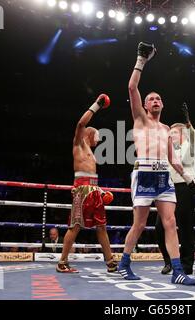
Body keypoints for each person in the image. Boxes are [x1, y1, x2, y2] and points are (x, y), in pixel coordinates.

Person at [117, 42, 195, 285]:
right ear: (144, 105)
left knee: (171, 222)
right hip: (143, 173)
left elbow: (172, 158)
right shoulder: (140, 120)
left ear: (162, 105)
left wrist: (187, 177)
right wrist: (141, 60)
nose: (155, 100)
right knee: (140, 224)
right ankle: (124, 263)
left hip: (164, 176)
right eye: (151, 98)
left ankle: (177, 271)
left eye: (158, 99)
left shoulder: (166, 129)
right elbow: (132, 86)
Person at [56, 94, 117, 273]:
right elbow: (80, 124)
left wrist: (100, 190)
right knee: (75, 226)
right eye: (97, 137)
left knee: (101, 226)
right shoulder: (79, 143)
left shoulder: (90, 151)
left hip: (93, 190)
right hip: (82, 191)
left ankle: (111, 262)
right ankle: (62, 262)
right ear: (91, 134)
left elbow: (90, 174)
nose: (98, 141)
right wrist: (97, 105)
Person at [155, 104, 195, 275]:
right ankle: (169, 261)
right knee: (160, 227)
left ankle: (186, 265)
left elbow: (194, 137)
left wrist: (188, 122)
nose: (170, 135)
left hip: (184, 188)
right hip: (167, 189)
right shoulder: (169, 152)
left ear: (181, 134)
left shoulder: (191, 147)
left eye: (173, 132)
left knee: (186, 227)